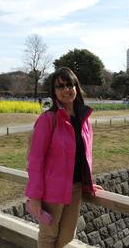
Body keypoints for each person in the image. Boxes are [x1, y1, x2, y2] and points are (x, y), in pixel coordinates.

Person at [25, 67, 102, 248]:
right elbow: (35, 160)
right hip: (52, 190)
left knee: (67, 237)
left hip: (75, 188)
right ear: (54, 92)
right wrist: (35, 196)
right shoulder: (48, 119)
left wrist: (87, 182)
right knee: (48, 236)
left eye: (70, 84)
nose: (66, 89)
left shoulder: (84, 119)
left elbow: (84, 156)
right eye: (60, 86)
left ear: (77, 87)